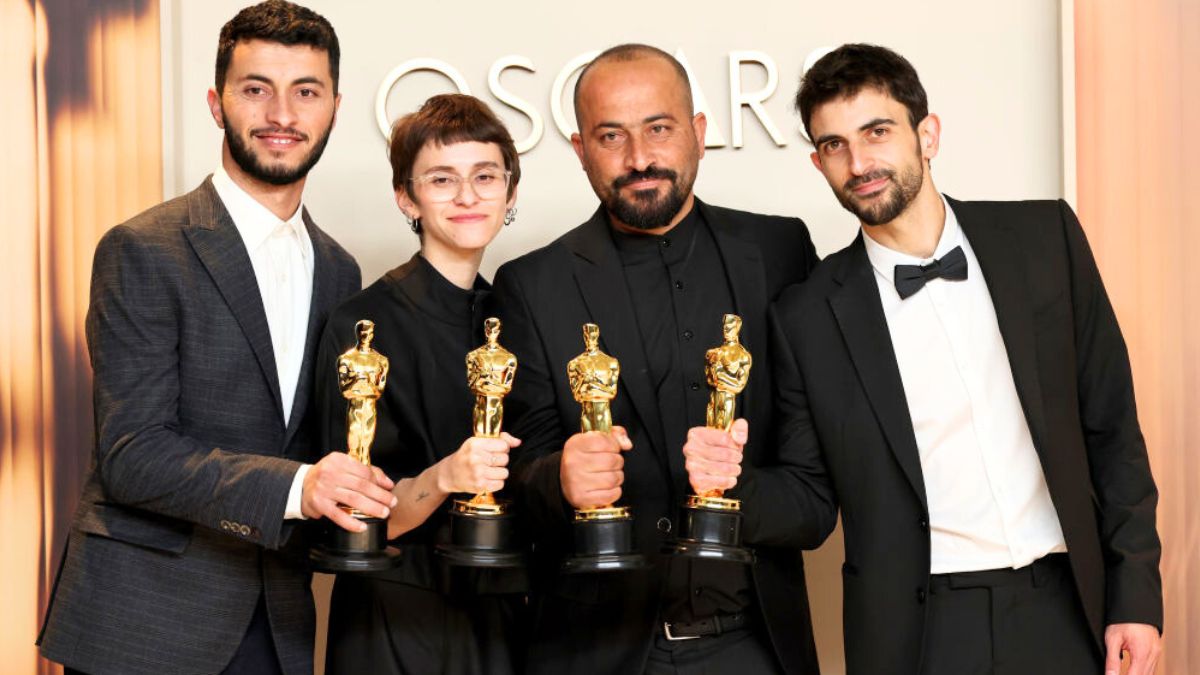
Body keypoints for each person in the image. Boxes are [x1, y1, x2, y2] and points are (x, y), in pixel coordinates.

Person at [770, 43, 1163, 674]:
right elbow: (808, 495)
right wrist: (719, 487)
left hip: (1065, 603)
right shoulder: (804, 317)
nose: (860, 162)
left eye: (877, 132)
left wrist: (1137, 596)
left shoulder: (1045, 240)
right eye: (835, 145)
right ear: (818, 163)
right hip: (919, 631)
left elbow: (1113, 430)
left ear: (927, 134)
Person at [36, 3, 396, 674]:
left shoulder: (341, 269)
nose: (282, 113)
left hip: (280, 620)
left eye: (305, 91)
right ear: (216, 102)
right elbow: (133, 453)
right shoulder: (142, 249)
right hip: (146, 626)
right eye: (256, 88)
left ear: (335, 108)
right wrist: (299, 487)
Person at [492, 44, 836, 674]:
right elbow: (513, 491)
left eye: (659, 128)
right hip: (595, 653)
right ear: (579, 150)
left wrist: (738, 489)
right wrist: (559, 480)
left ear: (699, 134)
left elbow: (816, 497)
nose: (639, 158)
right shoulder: (531, 285)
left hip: (753, 647)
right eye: (610, 136)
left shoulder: (781, 252)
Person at [314, 93, 526, 675]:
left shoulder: (518, 314)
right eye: (441, 179)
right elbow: (354, 516)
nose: (467, 196)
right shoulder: (362, 326)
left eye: (486, 176)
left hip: (507, 614)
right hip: (398, 619)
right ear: (406, 196)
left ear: (510, 193)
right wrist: (444, 477)